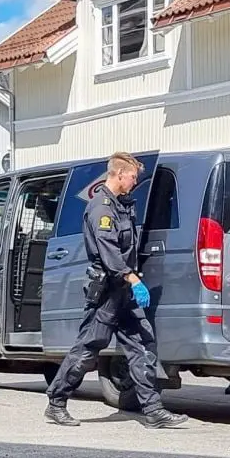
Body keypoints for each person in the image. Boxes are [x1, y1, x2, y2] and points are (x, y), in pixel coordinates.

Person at [44, 152, 188, 429]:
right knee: (88, 349)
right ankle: (56, 403)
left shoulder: (121, 206)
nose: (135, 182)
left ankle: (154, 410)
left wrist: (131, 282)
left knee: (142, 346)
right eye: (133, 176)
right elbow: (108, 250)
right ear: (119, 174)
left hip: (124, 292)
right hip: (109, 292)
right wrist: (132, 278)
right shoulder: (101, 208)